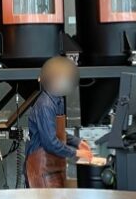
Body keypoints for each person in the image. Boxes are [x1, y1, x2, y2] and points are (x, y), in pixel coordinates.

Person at [25, 56, 91, 188]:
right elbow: (50, 142)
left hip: (54, 165)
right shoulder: (45, 104)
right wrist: (76, 153)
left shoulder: (58, 100)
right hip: (42, 167)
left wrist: (78, 142)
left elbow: (57, 132)